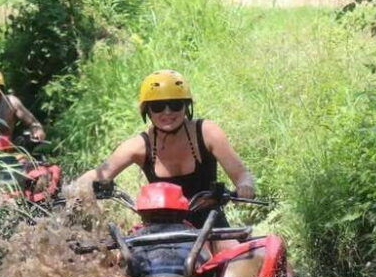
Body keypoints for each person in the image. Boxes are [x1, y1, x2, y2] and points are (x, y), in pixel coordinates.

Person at [77, 69, 255, 228]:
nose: (168, 112)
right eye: (158, 106)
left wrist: (244, 186)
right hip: (160, 229)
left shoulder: (208, 132)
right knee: (128, 261)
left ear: (186, 107)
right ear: (148, 111)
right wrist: (74, 189)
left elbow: (241, 174)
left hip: (210, 225)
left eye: (176, 104)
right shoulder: (138, 146)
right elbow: (100, 173)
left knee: (234, 259)